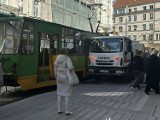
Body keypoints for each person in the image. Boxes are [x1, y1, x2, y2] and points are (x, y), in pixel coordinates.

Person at [54, 48, 74, 115]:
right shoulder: (67, 58)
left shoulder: (57, 58)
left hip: (59, 77)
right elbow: (70, 67)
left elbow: (55, 68)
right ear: (66, 52)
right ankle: (67, 111)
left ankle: (59, 110)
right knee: (67, 94)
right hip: (66, 77)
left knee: (59, 93)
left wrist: (56, 76)